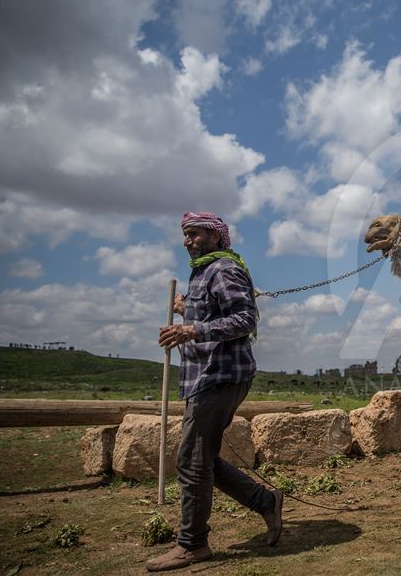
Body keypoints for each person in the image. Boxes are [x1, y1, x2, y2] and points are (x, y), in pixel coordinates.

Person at [148, 212, 282, 572]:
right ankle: (265, 501)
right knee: (199, 458)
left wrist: (190, 329)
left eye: (194, 234)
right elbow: (214, 311)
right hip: (204, 376)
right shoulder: (203, 272)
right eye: (185, 235)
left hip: (220, 375)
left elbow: (244, 319)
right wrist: (186, 308)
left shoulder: (223, 268)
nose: (187, 241)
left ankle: (192, 545)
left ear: (215, 236)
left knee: (192, 460)